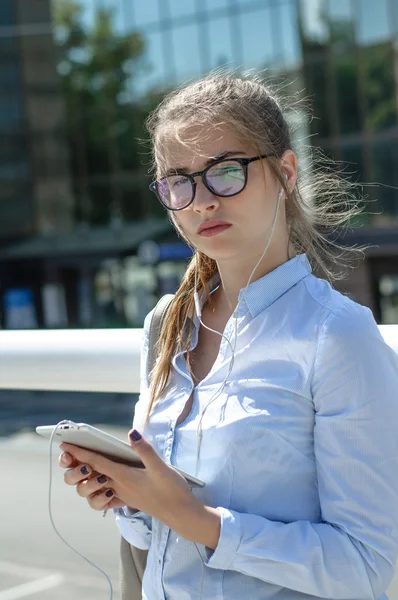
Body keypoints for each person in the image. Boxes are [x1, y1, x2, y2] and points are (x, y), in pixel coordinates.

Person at [58, 72, 398, 600]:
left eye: (227, 171)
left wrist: (199, 521)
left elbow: (364, 567)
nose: (201, 202)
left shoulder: (337, 335)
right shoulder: (165, 325)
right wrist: (128, 496)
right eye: (179, 181)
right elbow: (157, 537)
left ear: (285, 172)